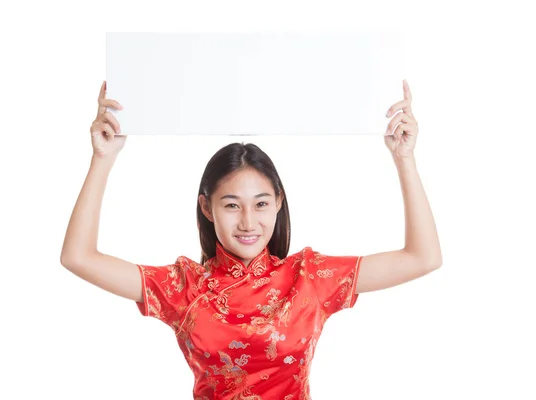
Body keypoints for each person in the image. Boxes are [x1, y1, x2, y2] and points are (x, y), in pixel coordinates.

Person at [60, 80, 442, 399]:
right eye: (231, 205)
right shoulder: (183, 287)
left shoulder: (309, 277)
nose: (248, 222)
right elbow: (78, 257)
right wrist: (102, 158)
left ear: (278, 203)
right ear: (207, 208)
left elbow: (423, 258)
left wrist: (404, 158)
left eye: (260, 204)